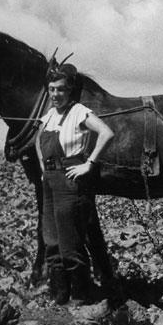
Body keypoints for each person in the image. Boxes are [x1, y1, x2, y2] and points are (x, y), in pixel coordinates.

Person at [35, 63, 115, 305]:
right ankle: (60, 295)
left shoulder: (79, 112)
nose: (55, 94)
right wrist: (43, 168)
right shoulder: (48, 116)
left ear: (69, 90)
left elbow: (106, 133)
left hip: (70, 181)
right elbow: (39, 141)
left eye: (60, 89)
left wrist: (89, 163)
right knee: (51, 241)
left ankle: (81, 297)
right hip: (50, 181)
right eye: (51, 89)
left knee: (70, 243)